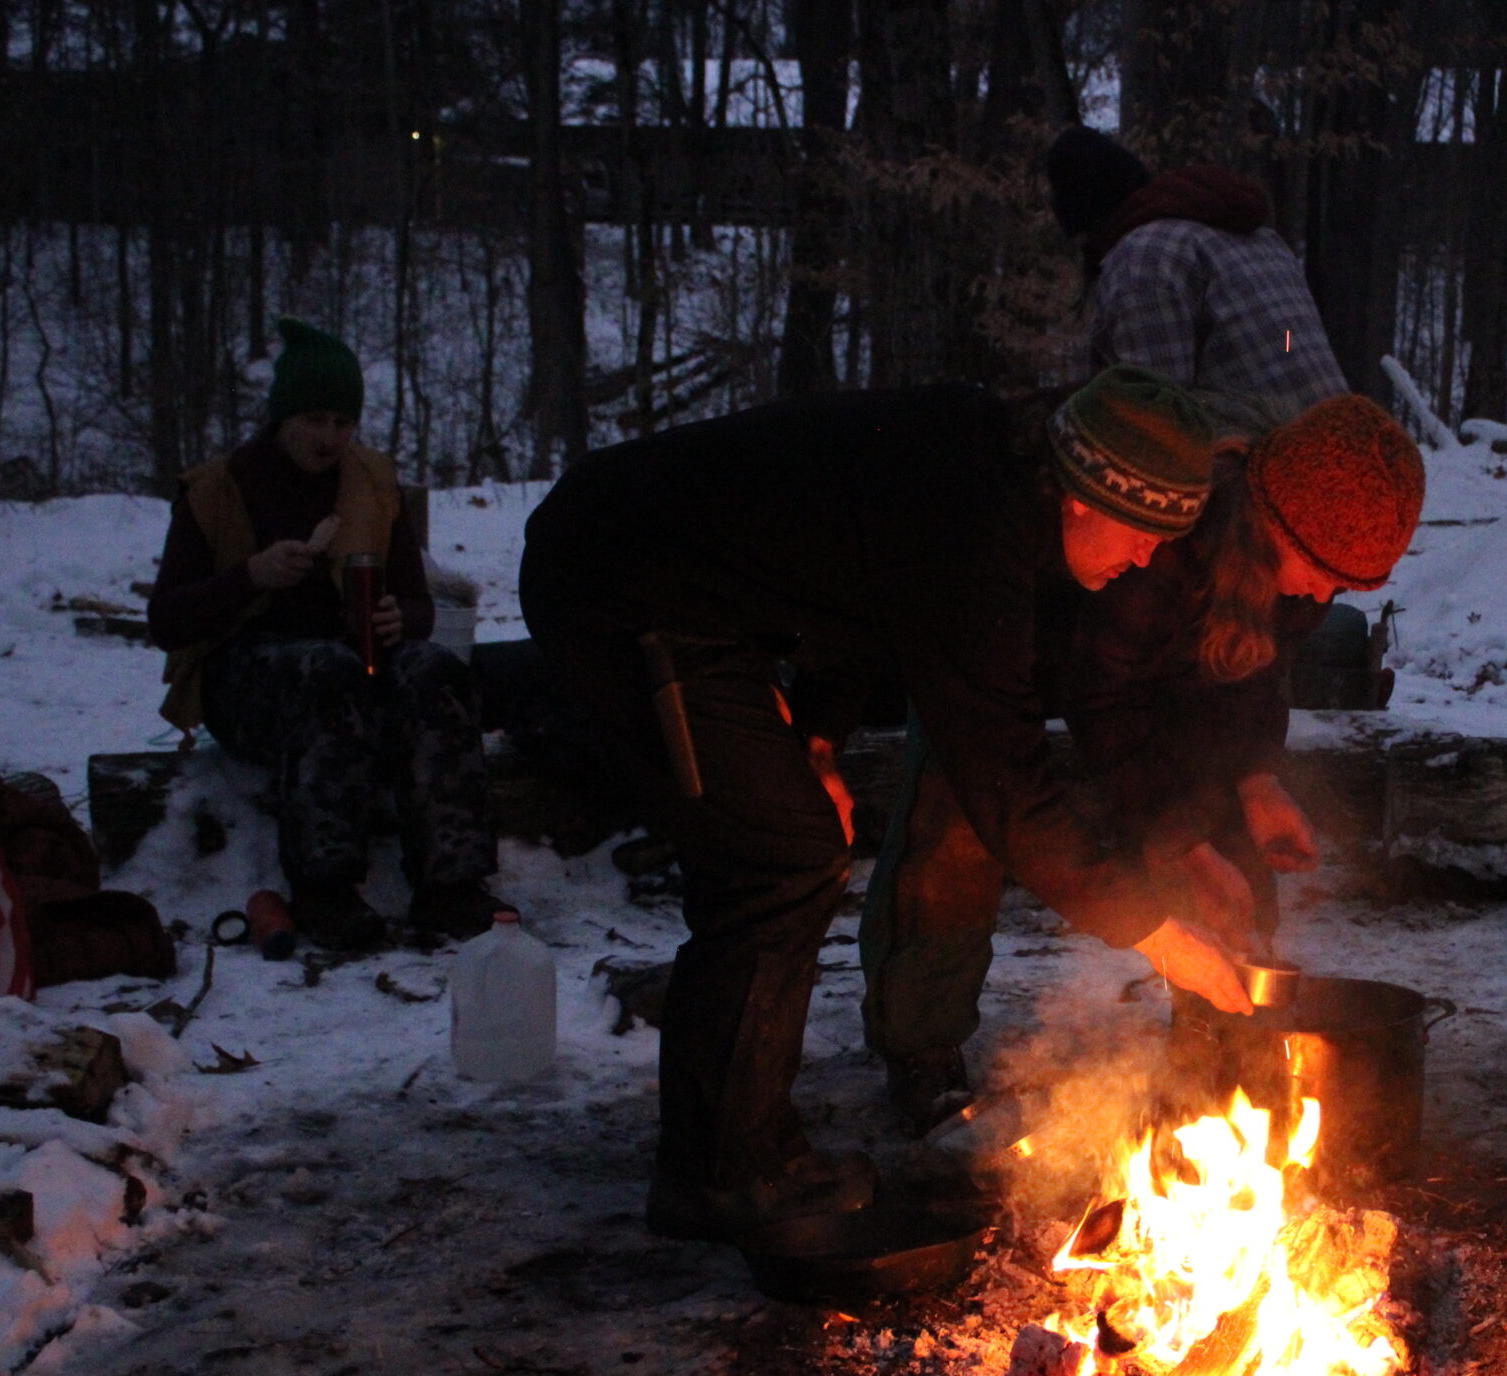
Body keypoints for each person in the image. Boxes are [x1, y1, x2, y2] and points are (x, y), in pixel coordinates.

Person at [517, 366, 1254, 1245]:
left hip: (691, 600)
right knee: (777, 861)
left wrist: (817, 743)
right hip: (616, 583)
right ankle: (719, 1173)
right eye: (1145, 533)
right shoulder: (973, 525)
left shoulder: (983, 476)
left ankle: (742, 1149)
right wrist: (1155, 931)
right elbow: (1008, 783)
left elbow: (851, 584)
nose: (1148, 559)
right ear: (1087, 496)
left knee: (793, 839)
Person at [861, 395, 1425, 1134]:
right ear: (1274, 524)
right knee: (965, 814)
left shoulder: (1297, 573)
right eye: (1320, 571)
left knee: (1221, 827)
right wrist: (1180, 845)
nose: (1324, 595)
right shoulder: (1165, 531)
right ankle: (922, 1038)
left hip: (1138, 685)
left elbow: (1251, 681)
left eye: (1342, 585)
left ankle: (1216, 1039)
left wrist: (1256, 782)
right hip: (1010, 651)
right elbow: (1103, 699)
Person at [148, 318, 500, 952]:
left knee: (436, 671)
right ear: (283, 417)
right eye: (315, 420)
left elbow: (419, 603)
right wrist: (249, 576)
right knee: (327, 670)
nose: (330, 437)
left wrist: (401, 618)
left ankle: (452, 881)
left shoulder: (372, 483)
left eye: (343, 422)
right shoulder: (219, 490)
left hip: (357, 662)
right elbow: (166, 621)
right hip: (248, 679)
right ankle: (324, 887)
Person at [1044, 123, 1349, 433]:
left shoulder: (1144, 257)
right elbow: (1286, 347)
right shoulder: (1261, 238)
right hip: (1347, 442)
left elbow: (1159, 421)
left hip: (1280, 456)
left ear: (1093, 225)